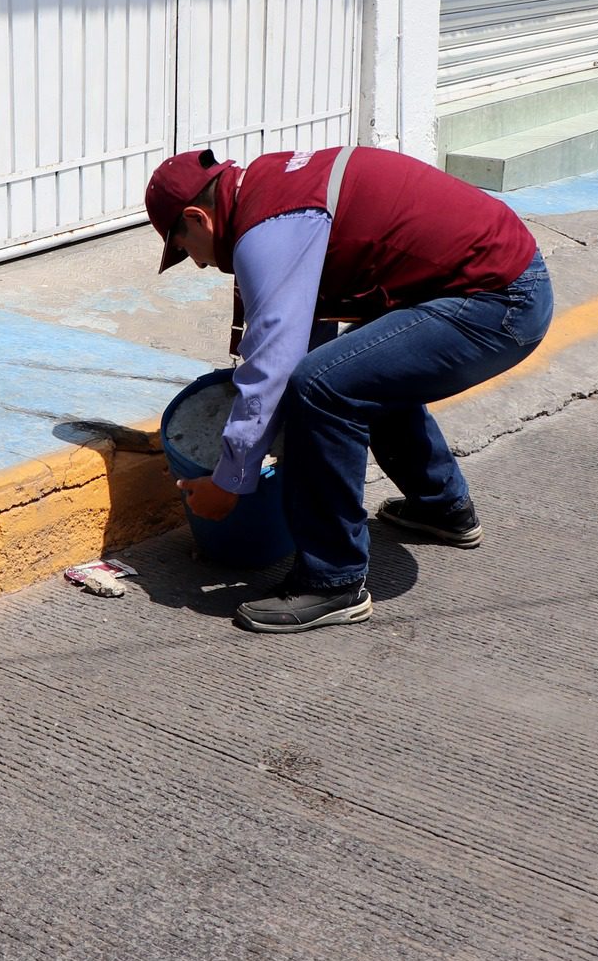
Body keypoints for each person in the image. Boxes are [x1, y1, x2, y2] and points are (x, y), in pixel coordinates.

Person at [145, 145, 554, 633]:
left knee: (322, 387)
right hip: (495, 280)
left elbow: (279, 367)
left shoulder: (266, 230)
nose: (194, 262)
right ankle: (440, 507)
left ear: (198, 217)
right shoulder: (272, 188)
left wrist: (231, 481)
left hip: (498, 301)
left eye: (182, 245)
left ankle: (332, 581)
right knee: (350, 369)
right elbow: (298, 341)